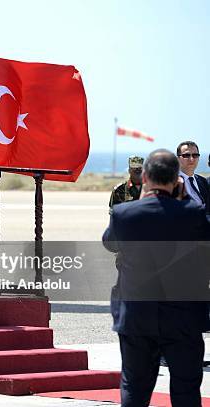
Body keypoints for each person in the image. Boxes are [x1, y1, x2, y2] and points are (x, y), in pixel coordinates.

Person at [102, 149, 210, 407]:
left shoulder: (124, 214)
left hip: (137, 316)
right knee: (186, 390)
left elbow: (110, 243)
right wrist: (185, 202)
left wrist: (140, 199)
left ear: (146, 177)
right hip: (184, 317)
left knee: (134, 389)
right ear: (176, 180)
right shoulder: (195, 215)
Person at [176, 141, 208, 207]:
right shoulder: (172, 182)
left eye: (195, 155)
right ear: (178, 159)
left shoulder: (203, 181)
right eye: (186, 155)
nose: (191, 159)